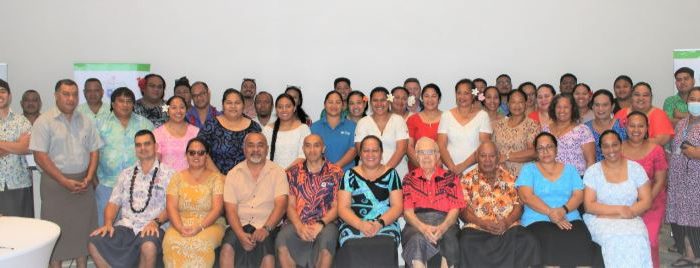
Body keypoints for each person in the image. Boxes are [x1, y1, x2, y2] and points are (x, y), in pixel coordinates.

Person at [30, 79, 103, 268]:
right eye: (66, 94)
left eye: (74, 94)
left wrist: (88, 176)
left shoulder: (85, 120)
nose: (71, 99)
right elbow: (40, 156)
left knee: (82, 231)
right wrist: (63, 181)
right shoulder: (44, 121)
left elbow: (94, 151)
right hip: (55, 184)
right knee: (55, 232)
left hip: (83, 184)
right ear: (56, 95)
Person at [88, 130, 175, 268]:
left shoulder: (170, 174)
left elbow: (172, 206)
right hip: (126, 226)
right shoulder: (126, 174)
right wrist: (108, 223)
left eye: (147, 144)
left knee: (148, 246)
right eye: (138, 145)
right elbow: (113, 203)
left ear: (156, 146)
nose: (143, 148)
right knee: (94, 242)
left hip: (152, 227)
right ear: (135, 149)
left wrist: (156, 222)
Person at [516, 132, 602, 267]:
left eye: (549, 147)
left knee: (582, 246)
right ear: (536, 152)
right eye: (540, 148)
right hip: (537, 219)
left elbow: (578, 196)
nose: (545, 151)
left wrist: (563, 210)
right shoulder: (528, 170)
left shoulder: (570, 170)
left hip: (570, 217)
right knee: (551, 247)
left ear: (556, 149)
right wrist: (550, 212)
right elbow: (527, 197)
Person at [460, 142, 540, 267]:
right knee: (465, 242)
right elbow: (463, 210)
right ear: (477, 157)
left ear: (498, 157)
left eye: (491, 156)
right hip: (477, 228)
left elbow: (518, 205)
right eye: (483, 156)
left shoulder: (511, 178)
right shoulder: (466, 179)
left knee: (528, 240)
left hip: (508, 227)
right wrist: (482, 223)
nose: (487, 160)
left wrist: (507, 222)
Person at [583, 130, 653, 267]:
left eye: (614, 145)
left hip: (631, 216)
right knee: (613, 239)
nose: (611, 150)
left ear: (621, 146)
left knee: (638, 238)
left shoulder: (636, 169)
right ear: (601, 149)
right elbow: (589, 206)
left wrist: (627, 212)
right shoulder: (593, 171)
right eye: (606, 146)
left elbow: (646, 201)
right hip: (599, 219)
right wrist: (620, 210)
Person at [220, 133, 289, 268]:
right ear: (244, 149)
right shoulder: (233, 173)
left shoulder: (278, 172)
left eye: (260, 145)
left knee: (268, 258)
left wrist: (266, 229)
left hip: (268, 225)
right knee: (226, 250)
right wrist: (240, 234)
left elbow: (281, 205)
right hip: (239, 225)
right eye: (251, 145)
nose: (256, 150)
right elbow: (230, 210)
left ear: (267, 149)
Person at [336, 135, 403, 268]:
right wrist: (361, 225)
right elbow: (342, 208)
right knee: (350, 243)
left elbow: (397, 207)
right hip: (354, 224)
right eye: (366, 150)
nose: (370, 154)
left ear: (381, 153)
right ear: (360, 154)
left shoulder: (392, 174)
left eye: (375, 150)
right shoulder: (349, 175)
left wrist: (379, 224)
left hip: (385, 224)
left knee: (385, 243)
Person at [276, 134, 342, 268]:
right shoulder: (293, 173)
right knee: (281, 239)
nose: (312, 150)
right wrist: (299, 226)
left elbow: (337, 206)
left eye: (316, 146)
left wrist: (321, 224)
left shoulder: (336, 172)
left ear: (323, 148)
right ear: (303, 149)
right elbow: (290, 205)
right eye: (308, 146)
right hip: (297, 222)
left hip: (326, 223)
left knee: (327, 241)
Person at [95, 87, 154, 226]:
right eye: (121, 101)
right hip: (106, 185)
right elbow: (93, 153)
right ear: (113, 104)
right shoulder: (99, 123)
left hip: (138, 185)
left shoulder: (145, 124)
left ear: (134, 104)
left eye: (129, 101)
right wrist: (94, 181)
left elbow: (153, 155)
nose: (125, 105)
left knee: (134, 227)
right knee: (106, 227)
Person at [162, 138, 225, 267]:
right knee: (172, 242)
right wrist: (179, 227)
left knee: (199, 243)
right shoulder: (176, 177)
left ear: (206, 156)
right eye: (192, 152)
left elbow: (217, 209)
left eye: (201, 153)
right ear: (186, 155)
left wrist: (199, 227)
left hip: (209, 224)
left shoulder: (216, 178)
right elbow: (171, 207)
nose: (196, 156)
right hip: (180, 223)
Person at [402, 137, 464, 268]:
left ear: (437, 156)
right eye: (421, 153)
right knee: (416, 239)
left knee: (450, 238)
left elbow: (455, 209)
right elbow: (408, 212)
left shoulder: (450, 177)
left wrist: (442, 227)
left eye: (430, 152)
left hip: (446, 221)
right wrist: (423, 228)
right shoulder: (409, 178)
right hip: (417, 223)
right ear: (416, 157)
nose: (425, 157)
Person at [622, 111, 667, 268]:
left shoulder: (656, 150)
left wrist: (644, 203)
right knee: (625, 241)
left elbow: (660, 180)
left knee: (649, 240)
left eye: (640, 126)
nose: (636, 130)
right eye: (632, 125)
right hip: (624, 203)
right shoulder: (617, 149)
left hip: (652, 202)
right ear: (625, 127)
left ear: (647, 127)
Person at [666, 86, 700, 267]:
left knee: (696, 215)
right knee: (682, 214)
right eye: (692, 99)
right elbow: (674, 147)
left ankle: (696, 254)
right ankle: (688, 252)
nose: (695, 103)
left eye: (699, 99)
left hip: (697, 178)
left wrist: (697, 153)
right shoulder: (681, 123)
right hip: (679, 177)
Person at [198, 88, 261, 174]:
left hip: (246, 180)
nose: (233, 106)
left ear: (243, 105)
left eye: (237, 103)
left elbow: (259, 154)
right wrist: (219, 177)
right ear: (223, 105)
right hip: (215, 179)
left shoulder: (254, 128)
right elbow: (200, 151)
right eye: (229, 103)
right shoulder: (211, 125)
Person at [438, 79, 492, 175]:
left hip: (475, 171)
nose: (462, 97)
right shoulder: (446, 115)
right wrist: (452, 168)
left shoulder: (482, 115)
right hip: (449, 170)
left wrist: (462, 167)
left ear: (473, 95)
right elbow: (441, 145)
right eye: (459, 93)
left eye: (466, 93)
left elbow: (484, 147)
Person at [355, 87, 409, 177]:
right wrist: (376, 173)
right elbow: (360, 150)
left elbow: (401, 149)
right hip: (368, 174)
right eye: (375, 100)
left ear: (388, 101)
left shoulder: (398, 120)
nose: (379, 104)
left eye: (382, 100)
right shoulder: (363, 122)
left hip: (397, 173)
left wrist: (384, 172)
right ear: (370, 103)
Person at [0, 79, 33, 217]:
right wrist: (16, 145)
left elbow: (28, 147)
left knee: (21, 231)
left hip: (19, 183)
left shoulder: (21, 120)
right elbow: (20, 146)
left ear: (10, 95)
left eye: (2, 91)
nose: (0, 95)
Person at [542, 94, 595, 176]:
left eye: (566, 107)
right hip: (550, 179)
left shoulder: (583, 130)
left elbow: (590, 161)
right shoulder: (545, 130)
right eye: (558, 107)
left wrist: (586, 184)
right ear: (554, 109)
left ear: (572, 109)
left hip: (577, 181)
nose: (562, 111)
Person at [492, 89, 538, 175]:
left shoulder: (532, 125)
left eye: (520, 102)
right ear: (508, 104)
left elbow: (533, 153)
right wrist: (501, 162)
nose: (517, 106)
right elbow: (493, 150)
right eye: (513, 102)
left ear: (526, 103)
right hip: (500, 173)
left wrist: (507, 157)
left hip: (524, 174)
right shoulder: (500, 124)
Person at [614, 82, 674, 146]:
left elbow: (662, 140)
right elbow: (613, 138)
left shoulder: (659, 114)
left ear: (651, 97)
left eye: (645, 95)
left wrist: (631, 144)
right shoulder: (620, 113)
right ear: (631, 96)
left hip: (651, 154)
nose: (641, 98)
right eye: (637, 95)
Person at [311, 91, 356, 171]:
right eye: (330, 102)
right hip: (321, 174)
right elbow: (312, 152)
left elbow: (354, 150)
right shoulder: (314, 127)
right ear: (324, 105)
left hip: (346, 174)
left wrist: (334, 167)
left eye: (338, 102)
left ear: (343, 105)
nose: (334, 105)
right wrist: (326, 170)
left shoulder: (352, 126)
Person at [263, 93, 310, 169]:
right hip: (273, 175)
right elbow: (265, 156)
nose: (284, 110)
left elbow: (303, 155)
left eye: (288, 106)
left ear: (294, 108)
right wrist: (277, 174)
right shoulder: (267, 130)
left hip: (297, 175)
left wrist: (285, 172)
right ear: (276, 109)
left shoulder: (303, 129)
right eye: (280, 107)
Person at [154, 96, 199, 171]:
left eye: (182, 107)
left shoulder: (196, 132)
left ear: (186, 110)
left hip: (190, 179)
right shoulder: (158, 133)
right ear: (167, 111)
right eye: (174, 108)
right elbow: (155, 162)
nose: (178, 111)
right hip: (166, 180)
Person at [406, 83, 442, 172]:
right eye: (426, 96)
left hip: (441, 168)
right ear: (422, 98)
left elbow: (447, 146)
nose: (430, 99)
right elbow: (409, 146)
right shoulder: (412, 119)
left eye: (434, 96)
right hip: (417, 168)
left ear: (439, 99)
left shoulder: (447, 118)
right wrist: (422, 167)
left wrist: (437, 167)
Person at [585, 89, 628, 161]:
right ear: (592, 106)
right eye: (597, 105)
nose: (600, 109)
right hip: (593, 171)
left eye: (605, 105)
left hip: (620, 169)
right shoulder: (585, 129)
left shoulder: (622, 126)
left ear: (612, 107)